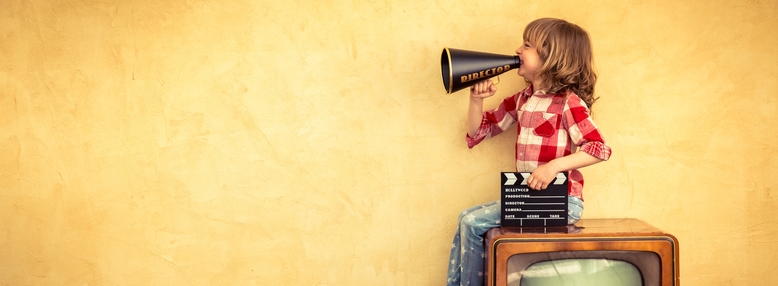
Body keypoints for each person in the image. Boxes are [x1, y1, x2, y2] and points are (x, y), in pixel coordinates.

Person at [446, 18, 612, 286]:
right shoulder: (522, 99)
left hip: (561, 201)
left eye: (527, 45)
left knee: (473, 223)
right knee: (465, 218)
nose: (517, 50)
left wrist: (553, 166)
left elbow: (599, 149)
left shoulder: (568, 102)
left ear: (551, 56)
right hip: (528, 198)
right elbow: (481, 131)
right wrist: (476, 100)